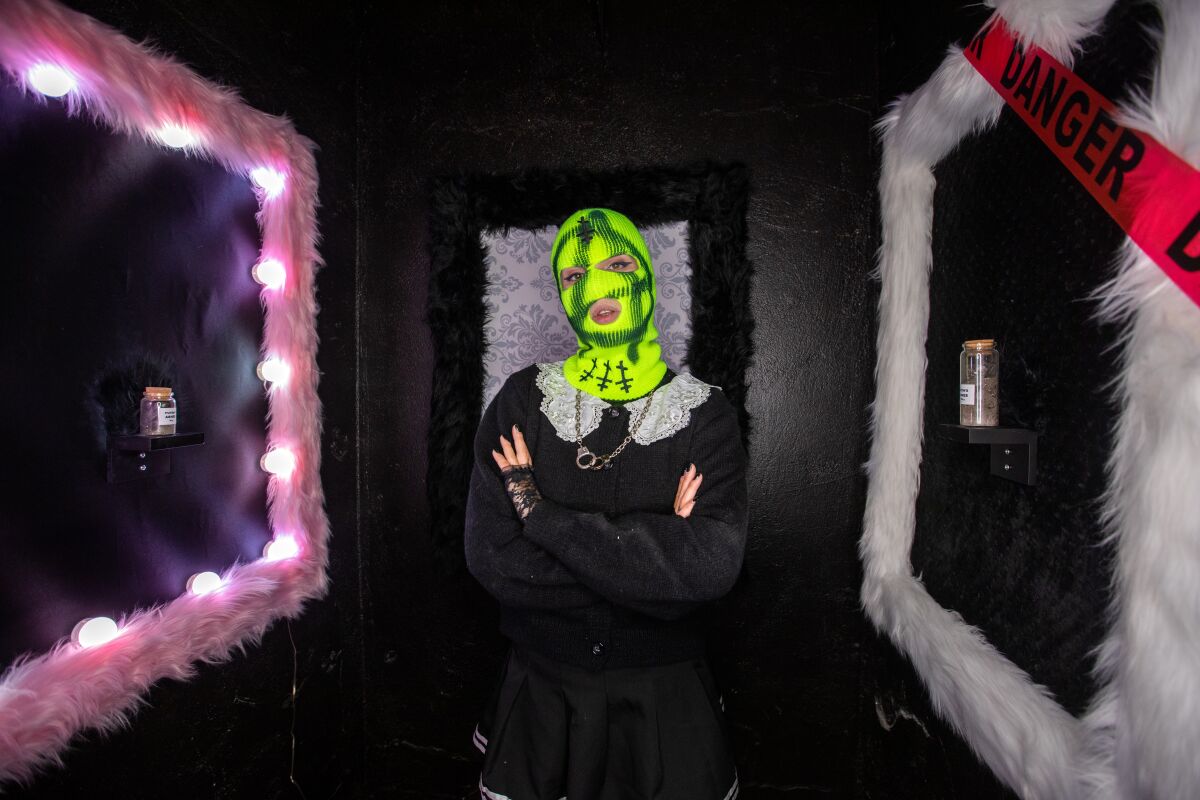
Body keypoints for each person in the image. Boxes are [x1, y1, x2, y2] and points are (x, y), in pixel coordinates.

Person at [464, 207, 749, 799]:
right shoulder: (522, 401)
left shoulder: (705, 414)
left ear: (644, 273)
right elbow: (492, 558)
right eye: (574, 275)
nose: (596, 286)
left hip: (664, 702)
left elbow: (712, 566)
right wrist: (654, 562)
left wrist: (539, 514)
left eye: (616, 264)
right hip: (543, 694)